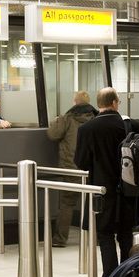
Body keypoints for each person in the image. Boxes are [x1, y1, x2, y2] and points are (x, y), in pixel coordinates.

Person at [74, 87, 139, 277]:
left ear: (99, 104)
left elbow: (81, 162)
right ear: (115, 103)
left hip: (102, 192)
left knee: (105, 236)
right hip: (129, 190)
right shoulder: (131, 126)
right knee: (126, 235)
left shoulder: (87, 129)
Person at [46, 90, 98, 247]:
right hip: (92, 168)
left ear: (75, 102)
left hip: (71, 168)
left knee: (67, 204)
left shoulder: (67, 118)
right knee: (95, 203)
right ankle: (97, 238)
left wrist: (56, 121)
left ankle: (60, 239)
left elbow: (52, 134)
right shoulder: (97, 118)